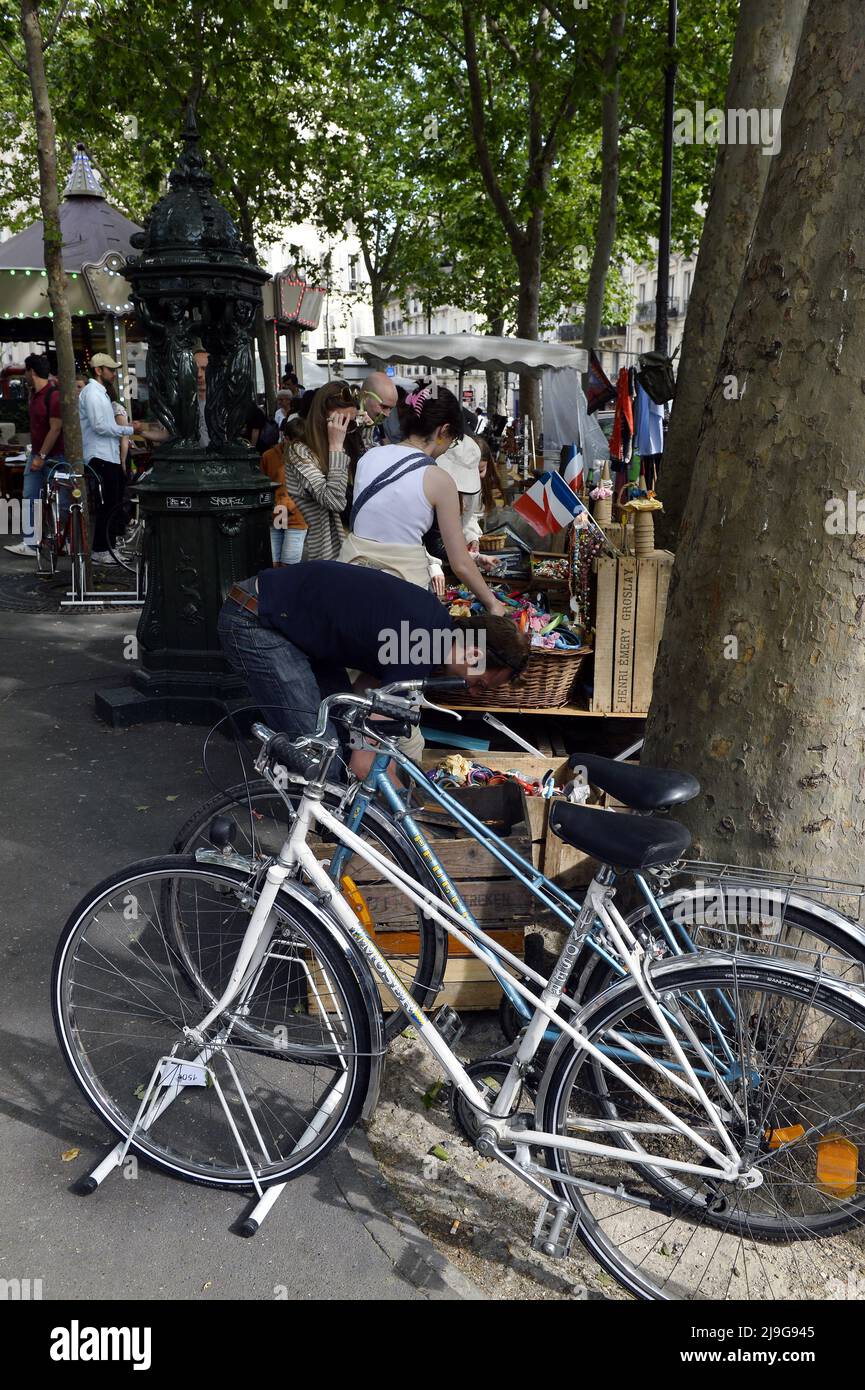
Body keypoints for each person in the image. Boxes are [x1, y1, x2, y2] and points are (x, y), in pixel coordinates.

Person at [217, 560, 529, 777]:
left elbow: (365, 701)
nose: (473, 692)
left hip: (286, 624)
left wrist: (377, 755)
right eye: (481, 685)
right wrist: (409, 821)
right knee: (321, 754)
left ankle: (317, 824)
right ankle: (317, 852)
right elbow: (364, 764)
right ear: (474, 653)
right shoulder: (422, 644)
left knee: (336, 736)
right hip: (255, 620)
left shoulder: (431, 630)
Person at [339, 385, 507, 614]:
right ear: (443, 431)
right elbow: (460, 565)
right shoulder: (439, 479)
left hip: (350, 583)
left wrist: (474, 557)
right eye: (453, 440)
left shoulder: (369, 457)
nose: (448, 447)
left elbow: (390, 527)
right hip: (399, 595)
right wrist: (493, 603)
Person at [78, 353, 143, 563]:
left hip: (107, 455)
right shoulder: (92, 393)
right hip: (99, 456)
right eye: (110, 369)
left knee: (114, 503)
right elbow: (99, 426)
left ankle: (109, 547)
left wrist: (123, 431)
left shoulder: (99, 393)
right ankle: (100, 549)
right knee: (108, 503)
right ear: (99, 370)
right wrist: (125, 429)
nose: (114, 373)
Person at [284, 379, 356, 560]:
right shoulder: (299, 451)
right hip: (326, 555)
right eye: (341, 422)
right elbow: (334, 501)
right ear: (322, 417)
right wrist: (336, 447)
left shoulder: (346, 442)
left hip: (357, 551)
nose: (345, 429)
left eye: (351, 423)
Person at [6, 353, 65, 557]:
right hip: (38, 453)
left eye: (25, 371)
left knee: (62, 501)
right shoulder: (35, 394)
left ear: (31, 372)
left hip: (56, 456)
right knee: (30, 496)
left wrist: (41, 455)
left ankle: (62, 540)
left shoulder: (53, 395)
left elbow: (56, 428)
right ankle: (31, 542)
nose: (24, 375)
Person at [259, 416, 308, 564]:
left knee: (289, 565)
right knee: (273, 563)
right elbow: (263, 485)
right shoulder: (268, 456)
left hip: (297, 517)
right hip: (276, 515)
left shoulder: (308, 457)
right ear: (286, 438)